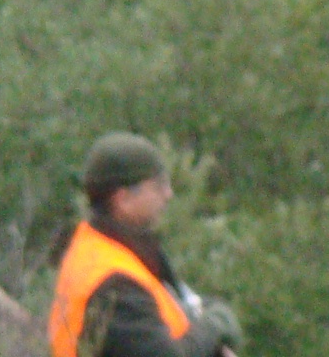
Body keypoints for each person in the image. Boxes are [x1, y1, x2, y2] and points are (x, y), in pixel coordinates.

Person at [48, 132, 243, 357]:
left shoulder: (104, 250)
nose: (168, 194)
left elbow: (175, 312)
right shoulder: (115, 283)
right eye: (158, 186)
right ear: (123, 199)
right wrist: (217, 324)